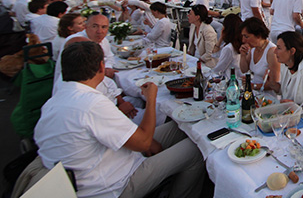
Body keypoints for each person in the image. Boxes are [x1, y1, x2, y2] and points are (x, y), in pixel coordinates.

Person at [35, 41, 205, 198]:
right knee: (198, 148)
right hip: (112, 185)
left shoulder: (52, 103)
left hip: (103, 164)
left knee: (180, 127)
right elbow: (144, 143)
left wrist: (149, 144)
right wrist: (151, 99)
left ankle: (169, 177)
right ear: (101, 67)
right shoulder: (91, 104)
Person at [240, 17, 280, 90]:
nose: (243, 40)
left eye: (246, 36)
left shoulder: (272, 52)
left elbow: (275, 84)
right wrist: (243, 55)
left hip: (268, 97)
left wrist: (253, 86)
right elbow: (244, 69)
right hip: (255, 92)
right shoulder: (254, 48)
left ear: (258, 35)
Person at [211, 14, 243, 78]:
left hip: (230, 79)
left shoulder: (229, 48)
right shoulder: (238, 43)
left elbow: (218, 70)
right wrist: (221, 39)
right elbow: (215, 54)